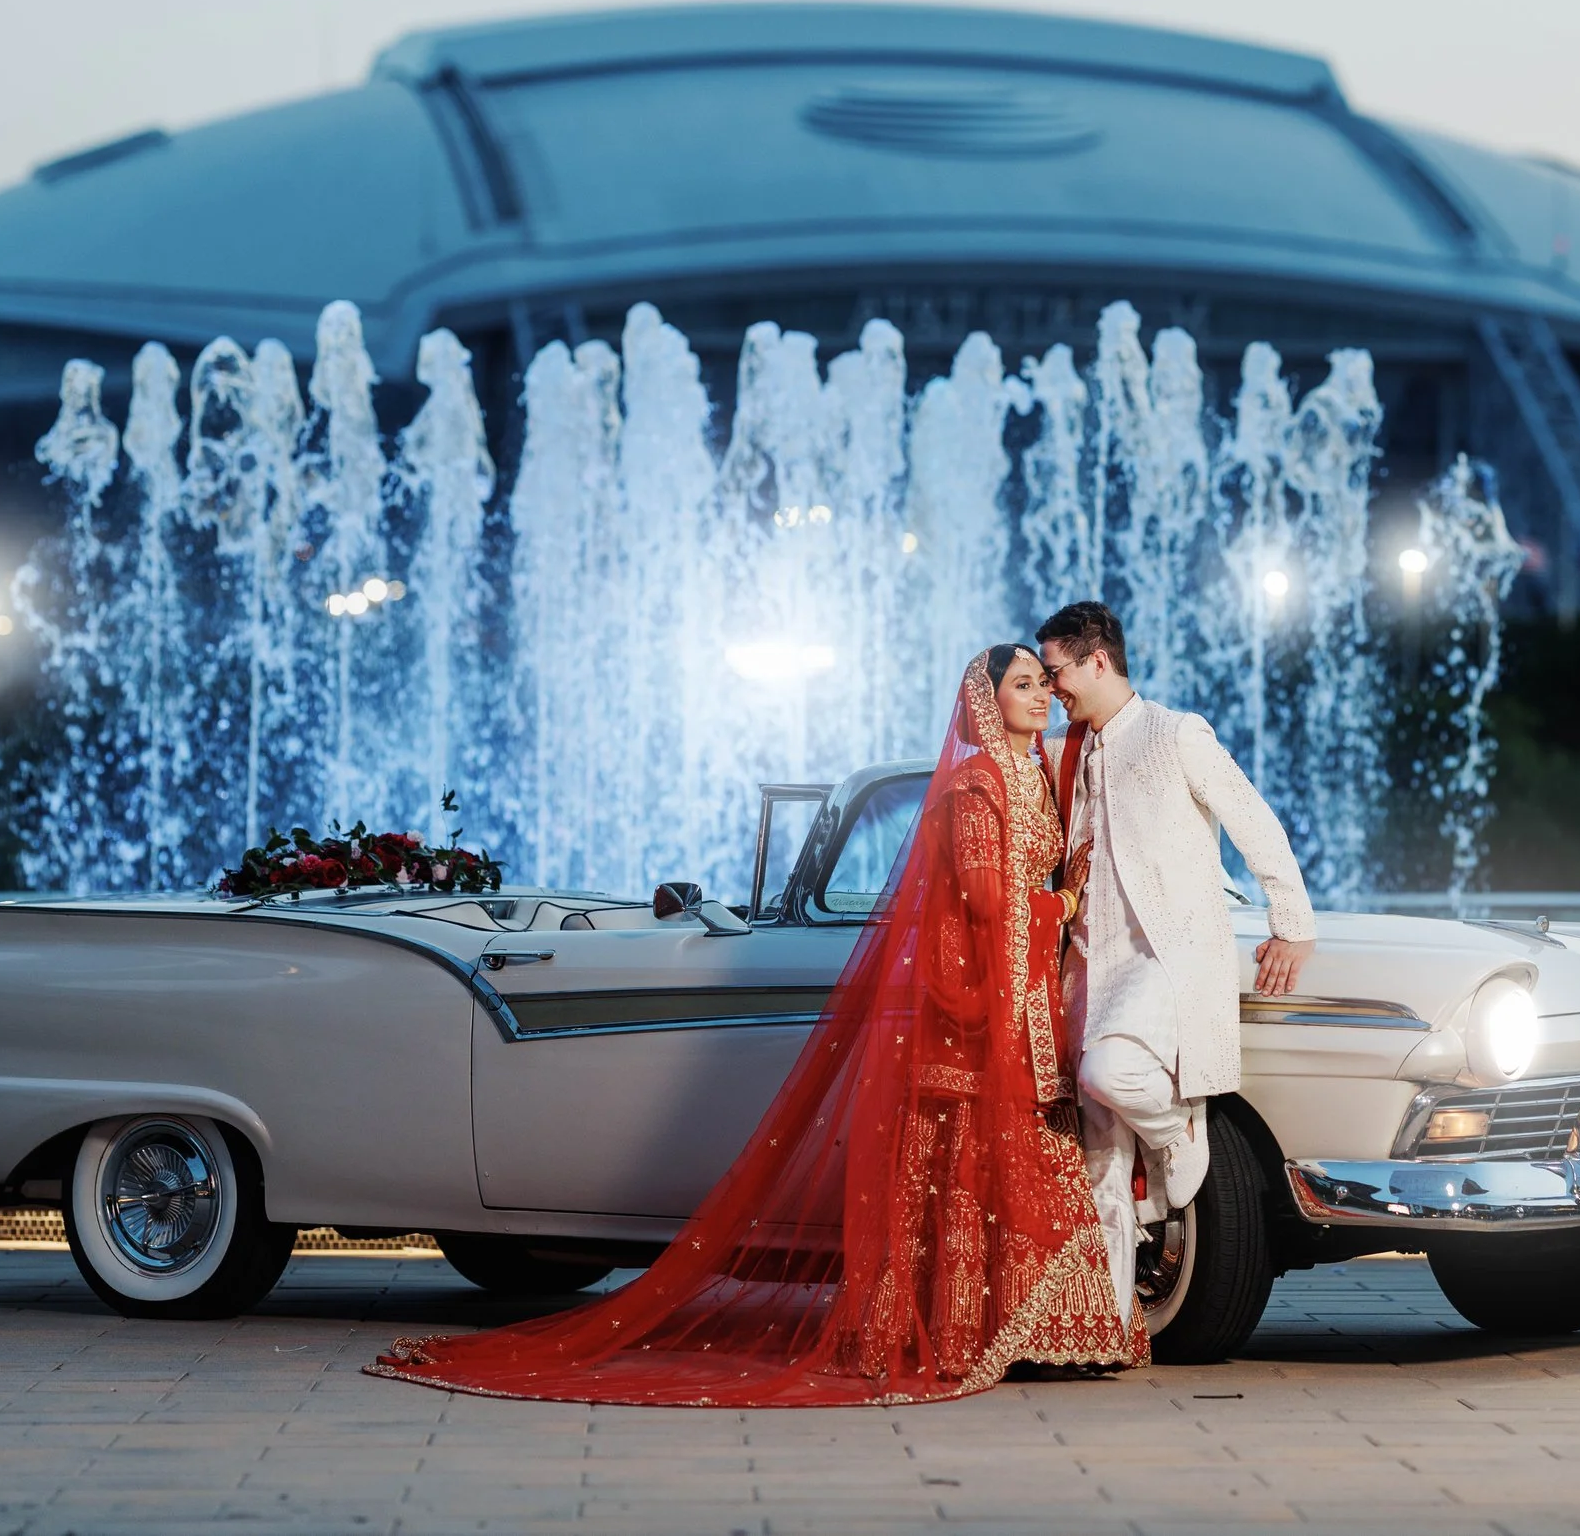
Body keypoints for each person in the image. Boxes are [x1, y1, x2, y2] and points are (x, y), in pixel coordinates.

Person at [369, 646, 1144, 1406]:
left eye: (1044, 682)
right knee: (972, 1165)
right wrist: (1066, 907)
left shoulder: (1038, 775)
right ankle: (963, 1333)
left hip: (1026, 1002)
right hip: (971, 1013)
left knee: (1024, 1157)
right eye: (1021, 683)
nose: (1039, 694)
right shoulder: (974, 784)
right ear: (986, 701)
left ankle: (1036, 1330)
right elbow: (981, 901)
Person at [1036, 600, 1316, 1328]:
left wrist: (1292, 924)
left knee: (1110, 1074)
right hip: (1090, 965)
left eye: (1058, 670)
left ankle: (1176, 1131)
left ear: (1098, 659)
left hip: (1165, 956)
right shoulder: (1072, 750)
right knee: (1097, 1152)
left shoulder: (1174, 733)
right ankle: (1109, 1322)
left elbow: (1254, 819)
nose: (1052, 684)